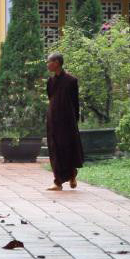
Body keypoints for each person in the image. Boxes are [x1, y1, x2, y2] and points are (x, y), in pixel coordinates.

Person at [45, 52, 84, 191]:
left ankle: (72, 175)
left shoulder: (71, 81)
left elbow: (75, 102)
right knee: (54, 148)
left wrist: (75, 119)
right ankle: (58, 182)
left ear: (57, 63)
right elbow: (51, 98)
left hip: (67, 120)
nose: (47, 64)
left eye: (49, 61)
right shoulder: (50, 81)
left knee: (68, 147)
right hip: (53, 120)